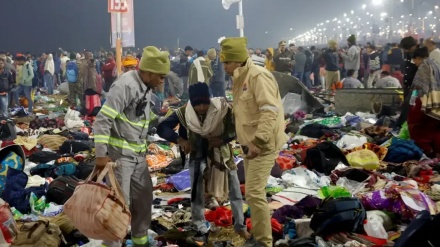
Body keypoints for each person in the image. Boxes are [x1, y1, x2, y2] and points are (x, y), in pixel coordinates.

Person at [94, 46, 169, 247]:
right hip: (121, 158)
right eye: (160, 76)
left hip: (138, 155)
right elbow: (102, 120)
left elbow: (138, 118)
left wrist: (163, 119)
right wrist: (101, 155)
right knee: (119, 205)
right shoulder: (125, 86)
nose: (162, 81)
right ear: (149, 72)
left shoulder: (145, 87)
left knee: (143, 200)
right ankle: (111, 244)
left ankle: (140, 240)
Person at [157, 83, 250, 245]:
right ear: (191, 103)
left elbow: (237, 128)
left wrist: (222, 139)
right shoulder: (185, 112)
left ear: (209, 100)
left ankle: (240, 225)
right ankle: (200, 225)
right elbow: (162, 127)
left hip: (222, 157)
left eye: (204, 103)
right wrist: (180, 140)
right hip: (197, 157)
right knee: (197, 194)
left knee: (234, 190)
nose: (201, 108)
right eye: (197, 104)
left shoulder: (222, 109)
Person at [220, 37, 288, 247]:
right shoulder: (240, 78)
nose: (224, 67)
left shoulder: (258, 76)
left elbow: (270, 111)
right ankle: (260, 237)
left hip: (263, 144)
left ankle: (263, 242)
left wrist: (258, 141)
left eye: (227, 62)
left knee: (254, 193)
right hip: (250, 144)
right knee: (252, 192)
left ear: (238, 61)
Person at [408, 47, 440, 158]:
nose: (415, 63)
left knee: (418, 128)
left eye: (415, 60)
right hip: (436, 102)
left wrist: (412, 103)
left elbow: (418, 88)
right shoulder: (435, 65)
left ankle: (428, 152)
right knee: (434, 129)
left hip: (424, 102)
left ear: (419, 58)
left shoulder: (424, 66)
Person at [397, 36, 419, 127]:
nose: (405, 51)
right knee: (405, 104)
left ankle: (401, 126)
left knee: (409, 105)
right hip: (407, 86)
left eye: (406, 49)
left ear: (411, 46)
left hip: (415, 88)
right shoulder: (408, 54)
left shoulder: (418, 55)